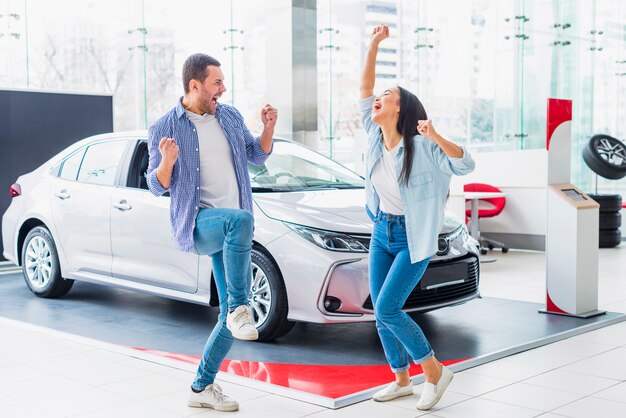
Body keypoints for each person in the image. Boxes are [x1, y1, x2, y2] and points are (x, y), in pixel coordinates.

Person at [146, 53, 277, 412]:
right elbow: (155, 186)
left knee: (227, 320)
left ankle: (201, 386)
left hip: (232, 229)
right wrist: (168, 164)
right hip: (199, 222)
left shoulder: (230, 116)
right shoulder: (164, 127)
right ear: (195, 85)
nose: (223, 88)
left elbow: (257, 155)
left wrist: (267, 129)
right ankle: (239, 307)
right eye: (217, 82)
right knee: (240, 225)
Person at [359, 25, 475, 411]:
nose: (377, 98)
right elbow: (364, 87)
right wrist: (374, 45)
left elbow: (465, 163)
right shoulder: (374, 139)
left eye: (386, 96)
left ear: (400, 109)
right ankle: (401, 379)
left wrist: (436, 134)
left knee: (389, 307)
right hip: (382, 231)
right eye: (379, 95)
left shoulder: (423, 146)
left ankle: (434, 371)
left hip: (413, 237)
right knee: (381, 310)